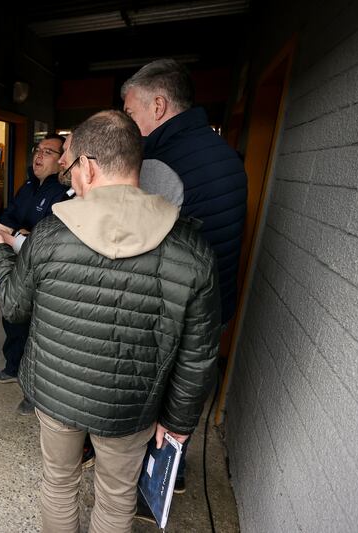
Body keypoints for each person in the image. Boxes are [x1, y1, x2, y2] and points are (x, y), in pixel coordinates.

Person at [0, 110, 220, 533]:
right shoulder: (192, 250)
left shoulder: (50, 236)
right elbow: (198, 356)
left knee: (59, 482)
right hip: (133, 405)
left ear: (88, 165)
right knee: (117, 494)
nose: (69, 178)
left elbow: (14, 307)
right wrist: (178, 423)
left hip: (56, 392)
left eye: (69, 167)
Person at [122, 58, 247, 494]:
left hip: (169, 314)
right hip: (215, 305)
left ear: (158, 106)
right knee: (185, 397)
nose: (131, 124)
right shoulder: (225, 154)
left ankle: (146, 482)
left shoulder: (160, 163)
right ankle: (172, 472)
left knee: (152, 404)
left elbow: (134, 248)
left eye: (132, 113)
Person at [0, 133, 68, 416]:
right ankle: (12, 366)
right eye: (38, 149)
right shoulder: (27, 186)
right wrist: (16, 231)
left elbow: (53, 233)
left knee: (37, 330)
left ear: (62, 161)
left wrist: (25, 232)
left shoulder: (63, 192)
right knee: (12, 317)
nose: (39, 155)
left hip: (44, 273)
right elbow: (8, 216)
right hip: (17, 264)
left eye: (48, 152)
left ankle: (32, 391)